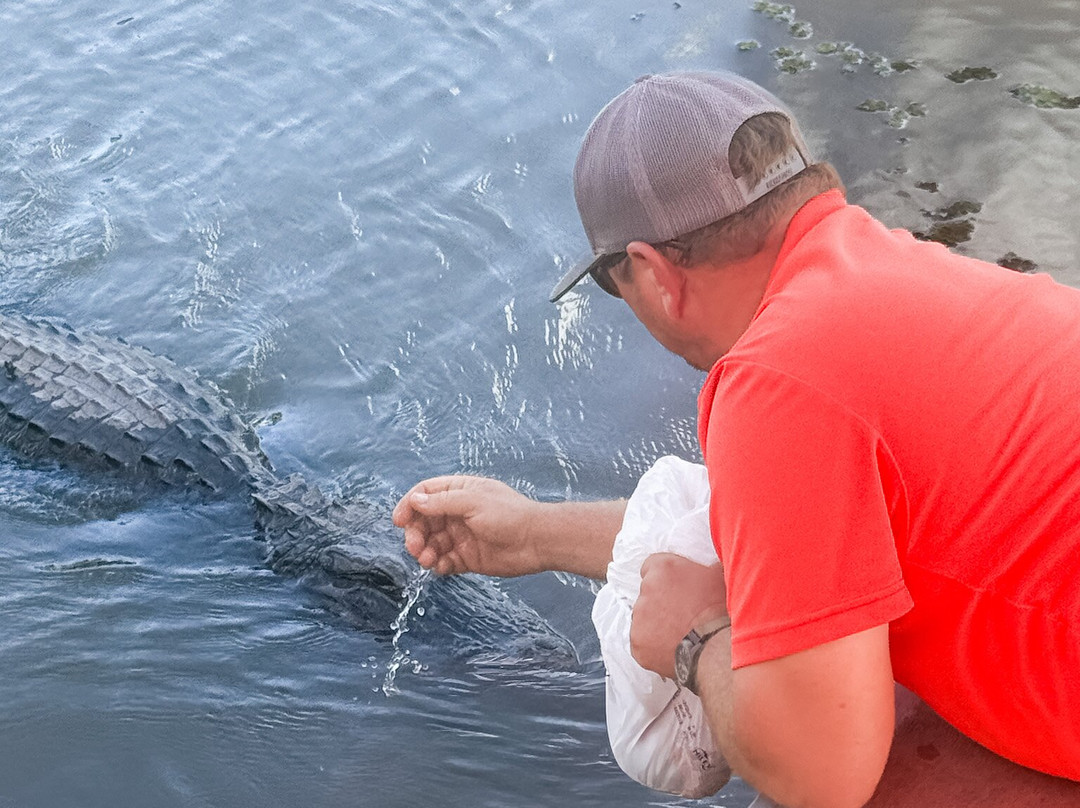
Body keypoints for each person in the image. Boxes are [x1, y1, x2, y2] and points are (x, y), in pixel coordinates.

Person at [393, 71, 1080, 807]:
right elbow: (780, 538)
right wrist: (531, 535)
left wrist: (695, 639)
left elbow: (825, 776)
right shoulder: (904, 280)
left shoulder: (779, 379)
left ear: (654, 272)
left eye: (611, 283)